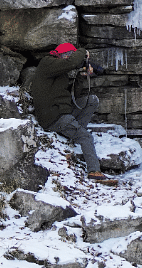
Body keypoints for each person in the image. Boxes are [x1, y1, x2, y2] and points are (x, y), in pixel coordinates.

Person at [31, 42, 107, 179]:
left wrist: (81, 77)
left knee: (92, 100)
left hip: (63, 112)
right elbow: (72, 62)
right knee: (85, 137)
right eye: (69, 55)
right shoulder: (47, 63)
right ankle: (94, 171)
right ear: (63, 55)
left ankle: (74, 133)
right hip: (54, 117)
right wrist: (83, 51)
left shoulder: (60, 73)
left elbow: (73, 96)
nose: (69, 59)